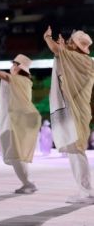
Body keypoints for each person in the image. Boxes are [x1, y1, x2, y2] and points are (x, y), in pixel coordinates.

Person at [44, 27, 94, 203]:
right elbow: (61, 57)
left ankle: (87, 191)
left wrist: (47, 37)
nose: (70, 44)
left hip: (76, 111)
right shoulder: (83, 60)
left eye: (73, 42)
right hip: (79, 110)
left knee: (77, 150)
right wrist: (63, 51)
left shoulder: (79, 59)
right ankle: (84, 190)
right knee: (75, 150)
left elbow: (57, 51)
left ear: (77, 46)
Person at [0, 54, 41, 194]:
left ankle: (28, 183)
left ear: (18, 67)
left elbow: (6, 77)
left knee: (15, 155)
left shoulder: (19, 80)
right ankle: (27, 182)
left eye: (14, 64)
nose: (11, 67)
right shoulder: (24, 81)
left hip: (17, 122)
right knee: (17, 155)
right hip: (19, 120)